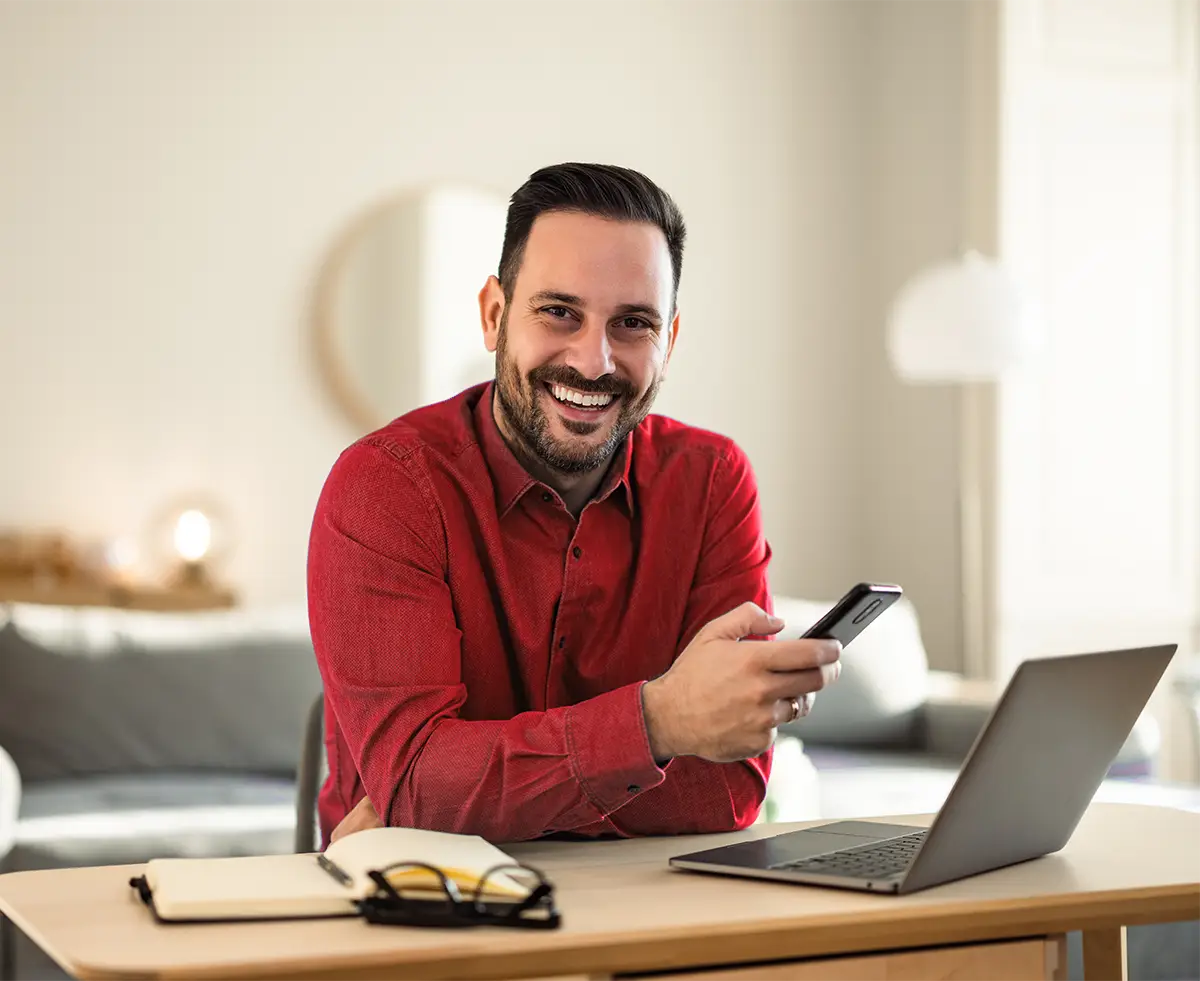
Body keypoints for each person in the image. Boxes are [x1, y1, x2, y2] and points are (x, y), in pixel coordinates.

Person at [307, 162, 841, 846]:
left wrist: (462, 794)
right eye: (559, 312)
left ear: (668, 342)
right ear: (494, 316)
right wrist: (661, 725)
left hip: (646, 912)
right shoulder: (385, 486)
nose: (594, 361)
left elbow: (726, 794)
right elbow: (416, 783)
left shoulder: (712, 482)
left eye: (633, 323)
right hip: (416, 913)